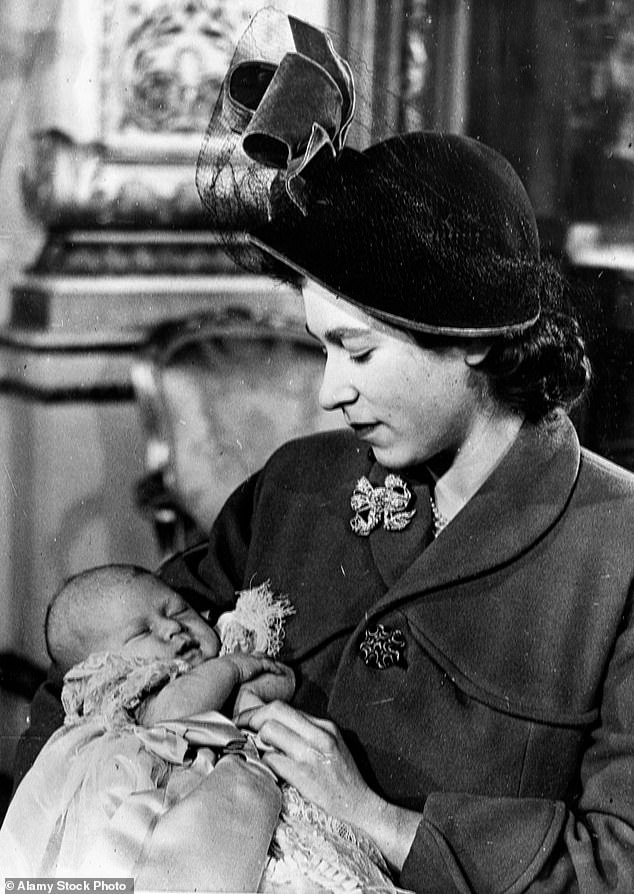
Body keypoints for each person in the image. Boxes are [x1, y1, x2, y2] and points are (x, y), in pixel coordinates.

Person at [14, 9, 634, 892]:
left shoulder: (617, 551)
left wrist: (378, 820)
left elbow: (619, 863)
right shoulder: (296, 488)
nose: (328, 391)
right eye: (321, 347)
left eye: (360, 351)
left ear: (470, 339)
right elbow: (93, 683)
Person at [2, 564, 398, 893]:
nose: (171, 630)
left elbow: (283, 681)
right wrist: (233, 669)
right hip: (157, 812)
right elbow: (171, 714)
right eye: (142, 633)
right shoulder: (130, 687)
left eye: (178, 612)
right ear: (101, 661)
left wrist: (254, 685)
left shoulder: (220, 648)